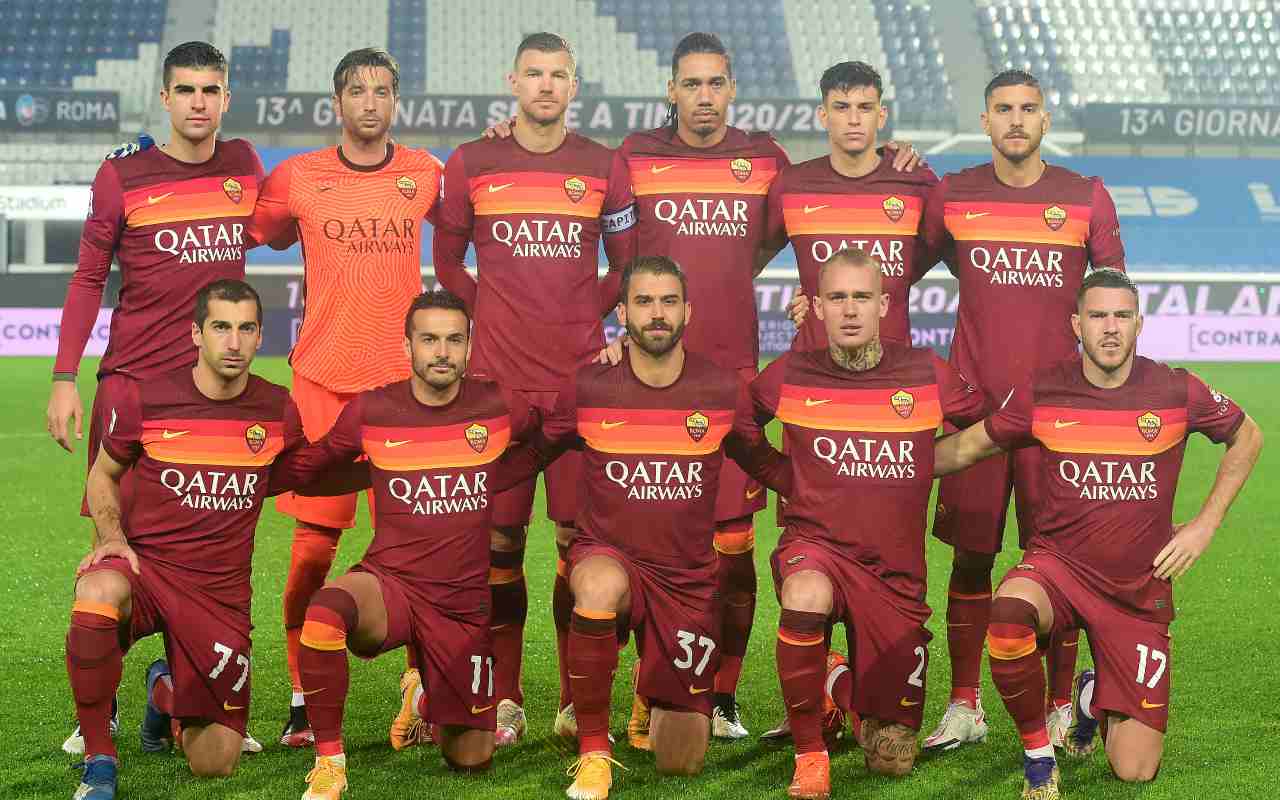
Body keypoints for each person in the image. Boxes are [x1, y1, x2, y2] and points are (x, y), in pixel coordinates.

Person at [933, 268, 1262, 798]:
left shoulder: (1176, 389)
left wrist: (1205, 525)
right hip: (1058, 570)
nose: (1110, 327)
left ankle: (1089, 700)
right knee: (1009, 615)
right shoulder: (1045, 390)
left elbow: (1248, 436)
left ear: (1139, 324)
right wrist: (895, 459)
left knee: (1135, 768)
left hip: (1137, 591)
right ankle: (1039, 755)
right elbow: (969, 446)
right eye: (1098, 315)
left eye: (1122, 316)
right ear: (1076, 324)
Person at [47, 40, 279, 757]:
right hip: (133, 386)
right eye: (186, 90)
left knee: (211, 544)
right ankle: (101, 707)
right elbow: (89, 277)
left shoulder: (243, 164)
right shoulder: (123, 173)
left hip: (215, 396)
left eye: (211, 90)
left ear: (226, 98)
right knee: (110, 543)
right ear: (165, 98)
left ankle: (184, 687)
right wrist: (63, 377)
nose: (198, 103)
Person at [66, 280, 363, 800]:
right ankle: (99, 761)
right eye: (221, 327)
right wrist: (111, 537)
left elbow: (303, 473)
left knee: (215, 762)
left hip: (219, 596)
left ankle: (164, 692)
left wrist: (385, 468)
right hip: (149, 571)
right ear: (196, 334)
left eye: (246, 329)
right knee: (96, 592)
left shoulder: (276, 408)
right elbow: (104, 472)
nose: (234, 342)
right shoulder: (148, 398)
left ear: (260, 337)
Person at [514, 256, 791, 799]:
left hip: (686, 581)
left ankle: (652, 687)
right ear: (622, 313)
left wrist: (839, 488)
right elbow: (533, 454)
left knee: (680, 760)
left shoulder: (720, 388)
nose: (657, 313)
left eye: (668, 301)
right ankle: (594, 751)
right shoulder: (590, 384)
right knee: (595, 586)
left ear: (688, 311)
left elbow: (765, 463)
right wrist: (463, 473)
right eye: (643, 301)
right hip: (610, 555)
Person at [431, 31, 637, 746]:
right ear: (512, 82)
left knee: (580, 544)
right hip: (499, 388)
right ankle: (507, 697)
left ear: (574, 86)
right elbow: (447, 260)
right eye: (534, 74)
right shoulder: (472, 162)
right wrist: (486, 312)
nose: (546, 85)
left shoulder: (603, 166)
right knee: (498, 543)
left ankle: (577, 699)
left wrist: (587, 316)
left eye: (558, 75)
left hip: (580, 387)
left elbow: (626, 265)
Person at [921, 69, 1127, 753]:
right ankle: (964, 705)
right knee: (971, 559)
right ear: (985, 121)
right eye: (1003, 108)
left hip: (1061, 421)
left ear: (1046, 119)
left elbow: (1113, 295)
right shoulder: (954, 195)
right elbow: (894, 272)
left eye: (1028, 108)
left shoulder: (1085, 196)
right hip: (974, 414)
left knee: (1060, 562)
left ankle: (1061, 704)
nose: (1016, 119)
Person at [245, 47, 446, 747]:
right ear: (337, 102)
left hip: (404, 391)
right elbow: (247, 230)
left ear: (396, 102)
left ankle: (421, 686)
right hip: (323, 382)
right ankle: (302, 696)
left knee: (418, 544)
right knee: (312, 552)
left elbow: (478, 208)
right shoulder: (298, 177)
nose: (370, 102)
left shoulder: (425, 173)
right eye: (357, 90)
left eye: (382, 91)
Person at [286, 290, 555, 799]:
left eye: (454, 340)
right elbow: (316, 463)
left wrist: (500, 476)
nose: (442, 352)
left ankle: (425, 699)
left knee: (471, 757)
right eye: (429, 339)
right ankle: (329, 763)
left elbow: (550, 434)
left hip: (461, 605)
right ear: (407, 345)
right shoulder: (373, 409)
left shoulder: (497, 405)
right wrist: (246, 472)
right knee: (324, 614)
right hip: (392, 584)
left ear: (469, 346)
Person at [744, 250, 986, 799]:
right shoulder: (791, 373)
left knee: (891, 757)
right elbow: (738, 426)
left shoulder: (925, 372)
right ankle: (810, 754)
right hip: (816, 547)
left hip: (894, 577)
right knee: (805, 595)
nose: (849, 309)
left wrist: (926, 461)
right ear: (817, 308)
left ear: (883, 304)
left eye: (860, 297)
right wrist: (784, 476)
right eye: (837, 298)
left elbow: (986, 427)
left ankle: (833, 680)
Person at [765, 60, 943, 351]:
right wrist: (809, 292)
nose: (854, 119)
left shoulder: (917, 182)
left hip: (893, 365)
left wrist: (894, 283)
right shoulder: (792, 185)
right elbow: (750, 259)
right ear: (823, 116)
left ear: (881, 116)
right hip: (814, 363)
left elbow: (944, 254)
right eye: (841, 107)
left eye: (865, 107)